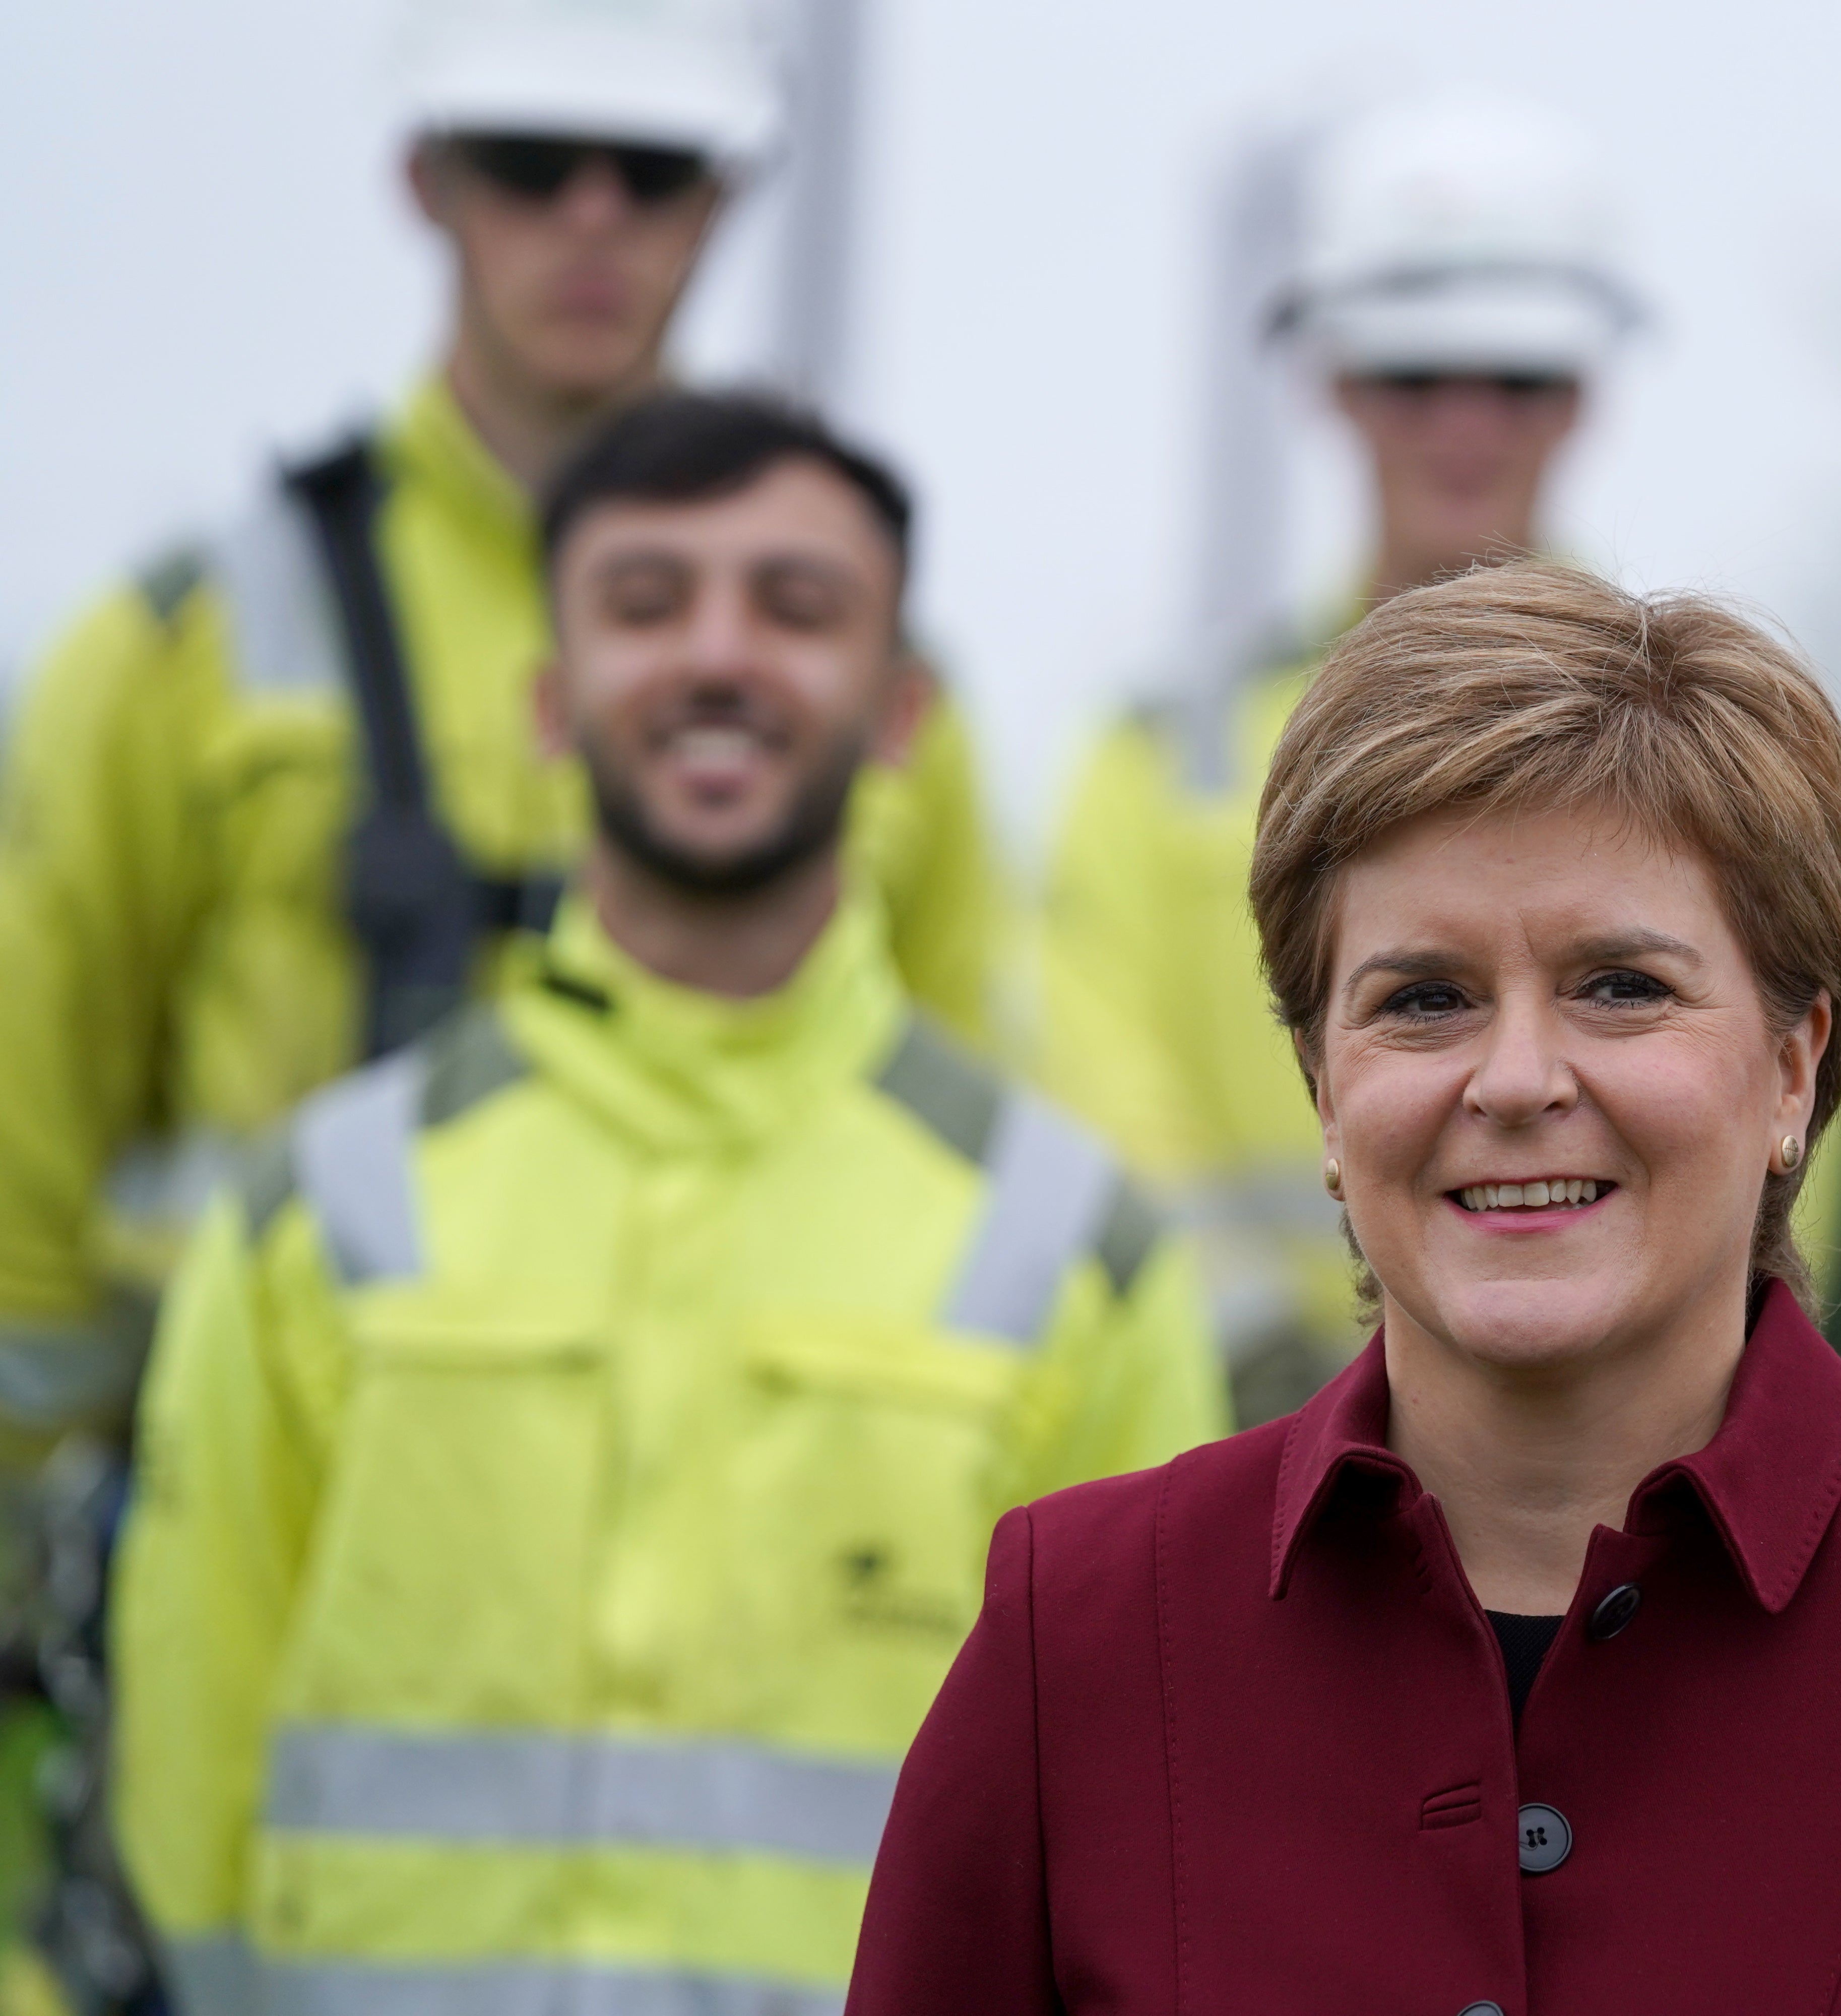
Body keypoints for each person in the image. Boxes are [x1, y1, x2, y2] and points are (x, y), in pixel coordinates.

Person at [847, 561, 1841, 2015]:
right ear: (1322, 1085)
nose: (1520, 1080)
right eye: (1424, 1000)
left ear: (1793, 1068)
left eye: (1620, 987)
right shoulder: (1077, 1632)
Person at [105, 395, 1226, 2016]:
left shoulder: (1068, 1248)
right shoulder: (326, 1209)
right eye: (646, 603)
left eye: (796, 606)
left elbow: (1140, 1820)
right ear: (552, 703)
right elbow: (188, 1770)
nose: (718, 657)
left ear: (903, 708)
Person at [0, 0, 1002, 1434]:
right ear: (428, 182)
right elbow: (27, 1104)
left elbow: (952, 1142)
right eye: (531, 161)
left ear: (721, 202)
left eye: (652, 171)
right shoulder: (191, 638)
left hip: (745, 1475)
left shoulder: (881, 686)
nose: (593, 217)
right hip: (282, 1443)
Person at [1036, 98, 1841, 1423]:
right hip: (1231, 1419)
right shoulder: (1159, 757)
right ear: (1335, 385)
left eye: (1512, 380)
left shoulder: (1717, 747)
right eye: (1417, 380)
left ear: (1581, 396)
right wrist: (1287, 1369)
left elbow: (1792, 1094)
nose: (1463, 422)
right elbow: (1102, 1102)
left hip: (1621, 1430)